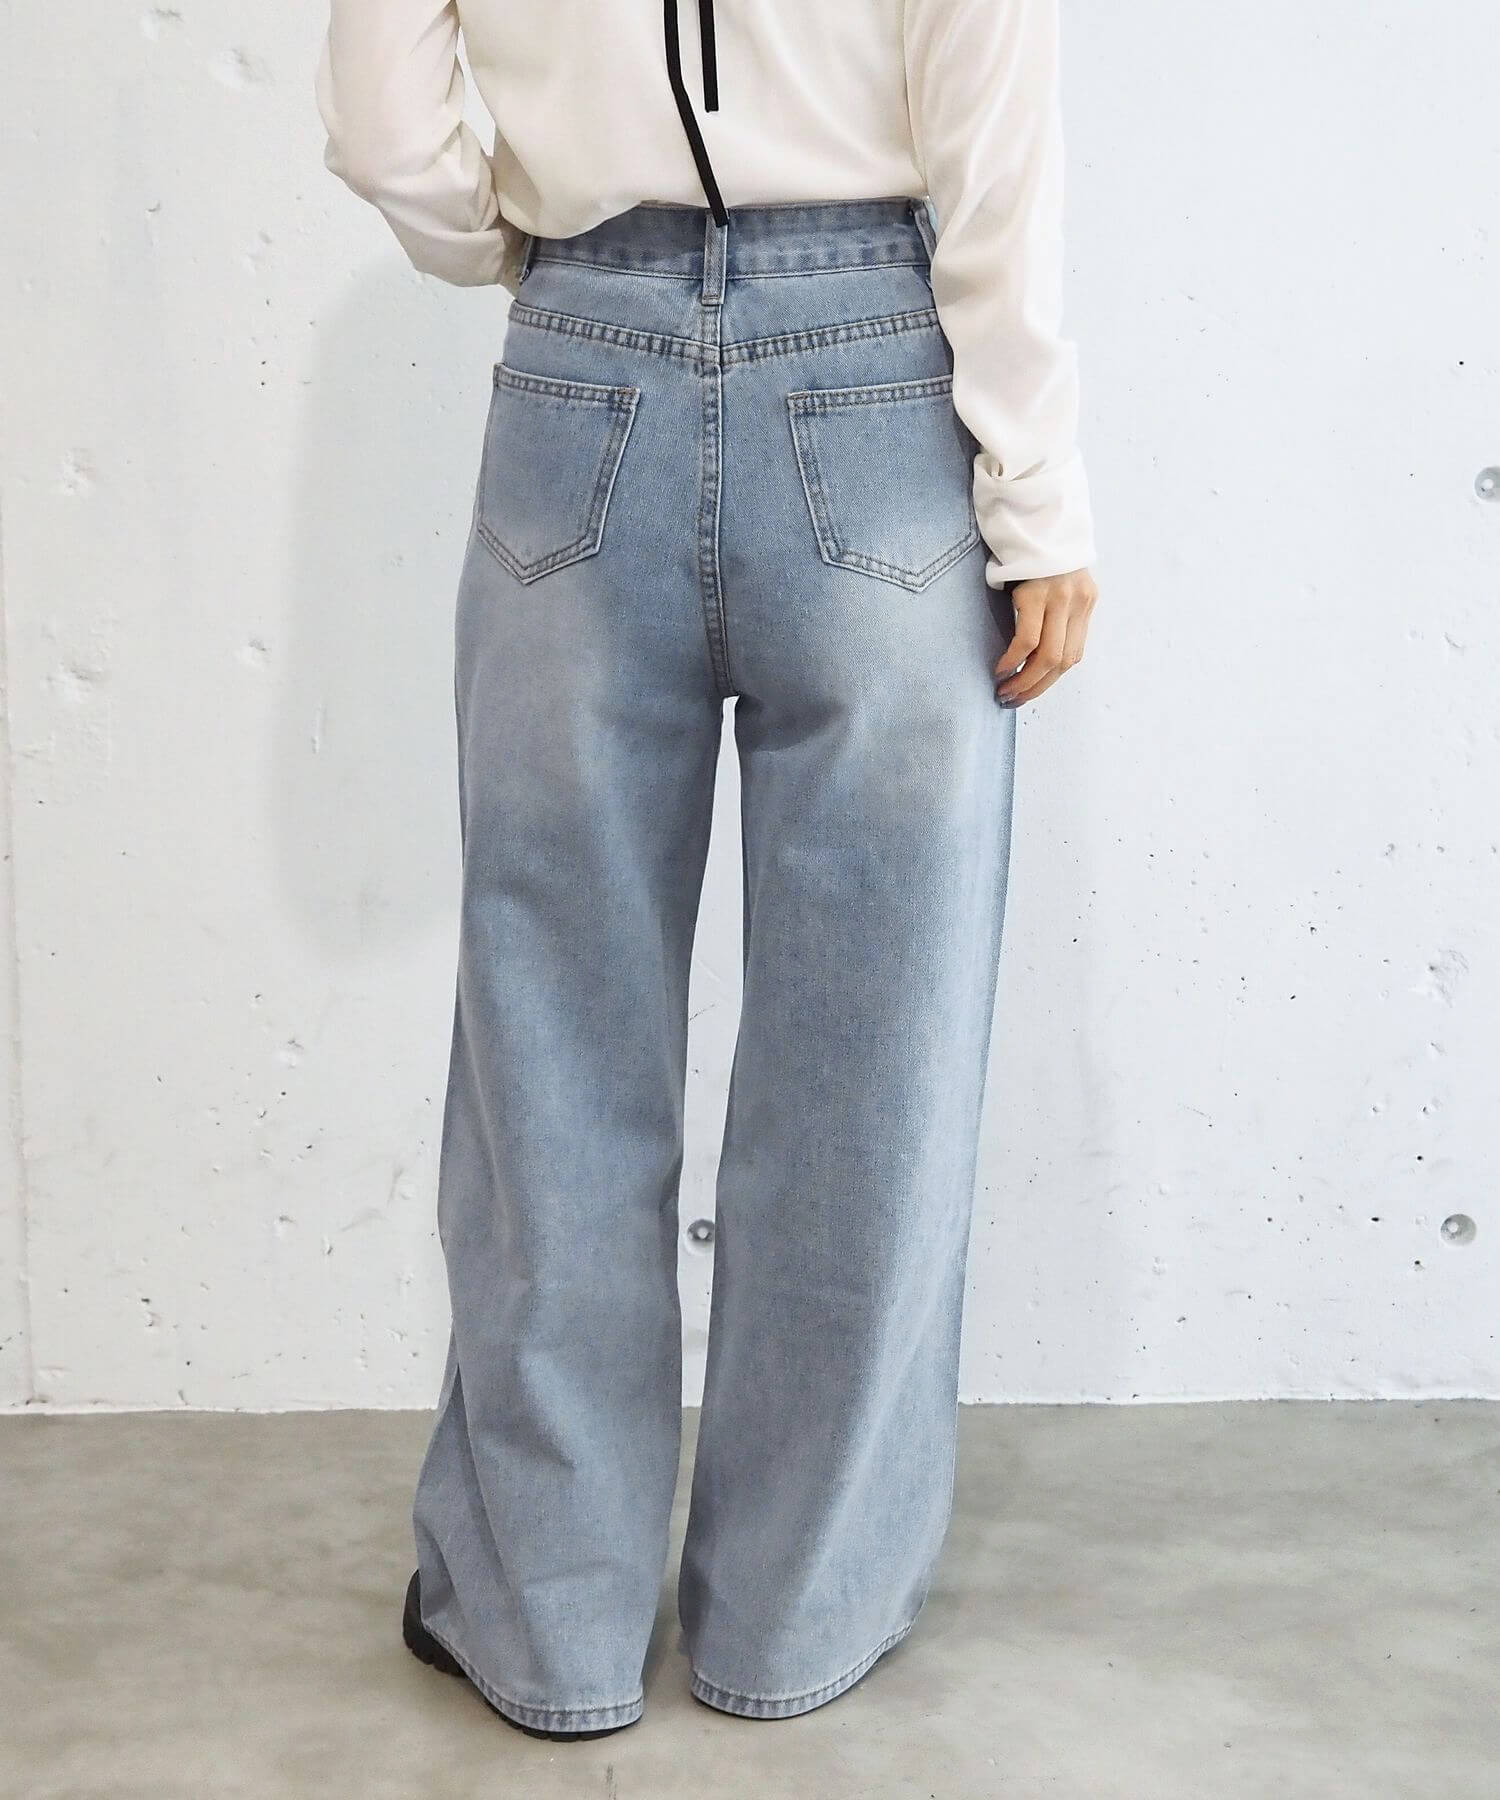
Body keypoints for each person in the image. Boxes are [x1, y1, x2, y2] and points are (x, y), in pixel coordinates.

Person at [313, 0, 1099, 1743]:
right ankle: (798, 1611)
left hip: (580, 361)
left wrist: (515, 234)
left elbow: (383, 124)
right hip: (879, 387)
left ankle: (548, 1625)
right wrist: (1038, 497)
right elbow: (992, 139)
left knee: (551, 1035)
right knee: (873, 1051)